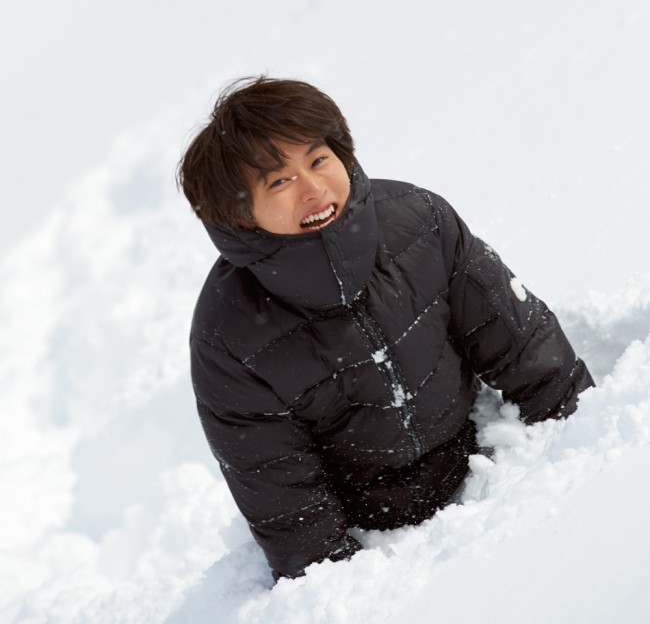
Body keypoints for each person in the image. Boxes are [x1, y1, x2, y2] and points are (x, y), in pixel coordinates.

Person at [178, 76, 593, 582]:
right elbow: (289, 509)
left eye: (318, 160)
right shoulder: (229, 337)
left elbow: (526, 351)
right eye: (279, 182)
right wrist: (353, 588)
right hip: (380, 547)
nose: (313, 190)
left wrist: (586, 458)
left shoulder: (420, 222)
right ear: (240, 213)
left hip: (491, 474)